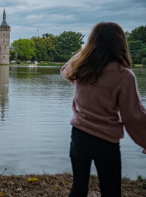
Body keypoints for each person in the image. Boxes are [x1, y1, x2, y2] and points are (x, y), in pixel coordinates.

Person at [61, 22, 146, 197]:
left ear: (92, 43)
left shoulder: (81, 69)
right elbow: (133, 116)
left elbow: (65, 70)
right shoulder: (123, 75)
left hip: (79, 136)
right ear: (120, 43)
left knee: (78, 187)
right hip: (106, 141)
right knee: (110, 189)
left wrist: (85, 52)